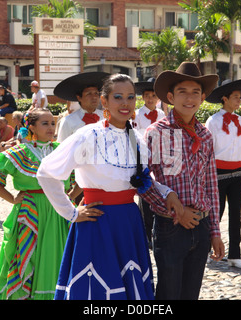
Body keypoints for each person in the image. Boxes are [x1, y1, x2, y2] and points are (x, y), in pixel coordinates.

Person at [37, 73, 184, 300]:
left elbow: (143, 177)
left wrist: (168, 193)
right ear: (104, 101)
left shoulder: (137, 138)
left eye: (130, 97)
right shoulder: (88, 135)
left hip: (129, 221)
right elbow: (46, 172)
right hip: (97, 220)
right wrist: (71, 213)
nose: (125, 103)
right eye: (117, 97)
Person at [143, 61, 225, 300]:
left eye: (196, 92)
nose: (190, 98)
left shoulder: (205, 135)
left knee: (191, 293)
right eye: (182, 92)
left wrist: (215, 231)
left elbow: (211, 184)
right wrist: (174, 208)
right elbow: (142, 179)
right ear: (170, 96)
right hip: (171, 227)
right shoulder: (156, 133)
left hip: (200, 226)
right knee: (168, 292)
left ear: (203, 97)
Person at [0, 109, 70, 299]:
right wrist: (11, 198)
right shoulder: (20, 152)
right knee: (30, 255)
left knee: (55, 256)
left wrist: (68, 196)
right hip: (31, 212)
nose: (51, 128)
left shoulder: (62, 150)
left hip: (58, 212)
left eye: (52, 123)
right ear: (32, 127)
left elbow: (81, 178)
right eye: (44, 124)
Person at [205, 78, 241, 269]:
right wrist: (207, 178)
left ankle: (235, 255)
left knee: (236, 215)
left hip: (237, 174)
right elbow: (207, 151)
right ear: (225, 99)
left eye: (239, 97)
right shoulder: (213, 121)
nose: (239, 100)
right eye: (235, 97)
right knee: (215, 214)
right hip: (217, 173)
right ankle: (205, 250)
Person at [132, 77, 165, 247]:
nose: (150, 99)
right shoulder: (136, 115)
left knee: (159, 193)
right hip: (144, 159)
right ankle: (145, 235)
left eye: (153, 95)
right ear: (143, 97)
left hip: (159, 159)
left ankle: (156, 231)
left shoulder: (162, 115)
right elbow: (133, 137)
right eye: (147, 95)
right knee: (145, 196)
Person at [54, 72, 109, 143]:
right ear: (79, 97)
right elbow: (62, 147)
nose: (94, 97)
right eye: (89, 94)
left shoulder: (106, 118)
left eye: (96, 93)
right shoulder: (68, 121)